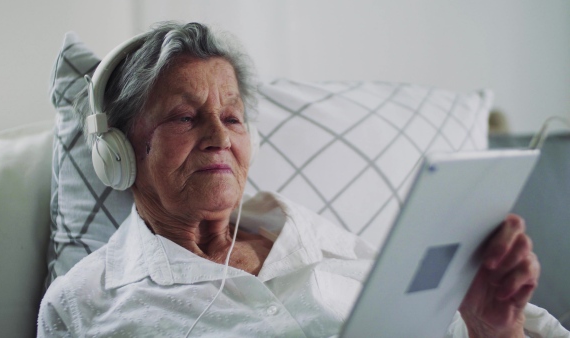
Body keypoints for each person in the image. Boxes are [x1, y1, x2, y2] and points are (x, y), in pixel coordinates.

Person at [38, 21, 566, 337]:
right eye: (184, 116)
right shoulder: (85, 303)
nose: (219, 137)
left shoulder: (325, 245)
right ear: (120, 151)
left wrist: (494, 330)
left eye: (233, 115)